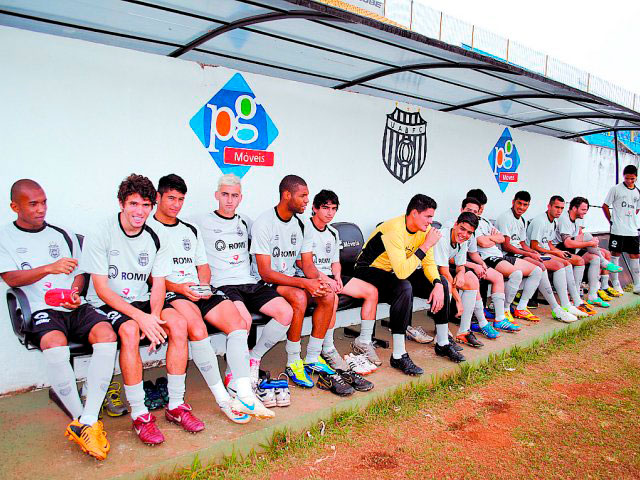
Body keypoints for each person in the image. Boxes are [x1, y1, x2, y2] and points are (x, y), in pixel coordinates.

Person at [0, 179, 117, 460]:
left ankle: (87, 420)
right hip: (41, 309)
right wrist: (48, 268)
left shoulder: (62, 234)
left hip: (73, 305)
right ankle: (81, 418)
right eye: (33, 204)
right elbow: (11, 278)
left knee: (107, 334)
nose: (41, 209)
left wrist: (76, 292)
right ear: (15, 206)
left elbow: (81, 271)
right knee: (54, 344)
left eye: (44, 202)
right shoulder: (5, 238)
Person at [148, 174, 272, 422]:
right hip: (172, 291)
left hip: (197, 289)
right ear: (158, 198)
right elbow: (152, 278)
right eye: (170, 198)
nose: (175, 204)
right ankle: (223, 400)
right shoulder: (149, 231)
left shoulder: (189, 230)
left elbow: (203, 266)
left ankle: (244, 394)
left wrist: (203, 285)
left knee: (237, 324)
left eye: (180, 199)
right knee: (196, 327)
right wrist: (183, 288)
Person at [80, 174, 194, 445]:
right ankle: (141, 415)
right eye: (133, 204)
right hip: (109, 302)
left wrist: (154, 317)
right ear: (121, 203)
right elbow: (101, 288)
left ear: (152, 205)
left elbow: (158, 284)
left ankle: (176, 406)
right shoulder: (101, 232)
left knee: (177, 324)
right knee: (130, 331)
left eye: (145, 205)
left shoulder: (158, 235)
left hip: (143, 300)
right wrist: (142, 318)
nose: (139, 211)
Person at [196, 174, 293, 399]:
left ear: (241, 198)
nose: (229, 200)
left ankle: (254, 357)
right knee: (244, 321)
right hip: (223, 284)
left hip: (249, 282)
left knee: (285, 312)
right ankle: (233, 375)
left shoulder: (247, 222)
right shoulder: (200, 222)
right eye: (225, 195)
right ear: (216, 196)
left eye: (234, 196)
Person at [251, 175, 345, 391]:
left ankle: (312, 356)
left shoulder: (303, 226)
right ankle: (293, 360)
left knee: (328, 295)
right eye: (302, 196)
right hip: (264, 283)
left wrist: (319, 281)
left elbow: (308, 265)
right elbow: (265, 273)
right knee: (299, 295)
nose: (306, 201)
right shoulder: (264, 223)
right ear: (287, 195)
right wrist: (304, 284)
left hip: (291, 277)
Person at [354, 194, 464, 369]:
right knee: (403, 286)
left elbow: (427, 262)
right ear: (414, 213)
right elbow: (402, 272)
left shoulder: (424, 231)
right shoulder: (393, 229)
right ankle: (398, 355)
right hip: (368, 271)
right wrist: (426, 245)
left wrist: (436, 282)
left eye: (432, 217)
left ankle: (443, 343)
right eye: (428, 216)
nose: (431, 222)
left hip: (395, 270)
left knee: (442, 283)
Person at [296, 189, 375, 392]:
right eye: (325, 208)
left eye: (333, 209)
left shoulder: (333, 231)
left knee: (371, 291)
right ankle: (328, 348)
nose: (330, 213)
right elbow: (301, 262)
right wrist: (326, 280)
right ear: (314, 208)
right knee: (333, 298)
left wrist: (338, 277)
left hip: (331, 276)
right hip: (310, 277)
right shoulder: (304, 228)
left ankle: (364, 342)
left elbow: (335, 262)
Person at [496, 191, 578, 323]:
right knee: (540, 267)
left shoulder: (522, 219)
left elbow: (523, 244)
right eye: (519, 203)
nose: (522, 207)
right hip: (507, 256)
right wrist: (529, 253)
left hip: (519, 253)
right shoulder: (506, 218)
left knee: (550, 264)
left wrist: (533, 253)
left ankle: (526, 306)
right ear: (513, 202)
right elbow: (506, 247)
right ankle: (555, 307)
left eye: (525, 205)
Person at [466, 188, 544, 325]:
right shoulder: (470, 223)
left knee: (537, 270)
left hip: (498, 254)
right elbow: (483, 242)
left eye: (482, 206)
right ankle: (505, 309)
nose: (481, 209)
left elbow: (501, 238)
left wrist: (491, 238)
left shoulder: (484, 220)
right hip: (487, 257)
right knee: (516, 274)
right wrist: (492, 238)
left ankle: (521, 307)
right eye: (478, 206)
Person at [449, 196, 519, 332]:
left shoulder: (473, 228)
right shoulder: (453, 225)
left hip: (466, 262)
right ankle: (478, 321)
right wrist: (474, 266)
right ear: (461, 209)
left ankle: (499, 319)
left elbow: (473, 253)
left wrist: (482, 264)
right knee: (473, 279)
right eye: (469, 210)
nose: (472, 213)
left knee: (497, 276)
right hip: (454, 265)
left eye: (475, 211)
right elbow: (450, 258)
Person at [434, 212, 500, 346]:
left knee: (471, 281)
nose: (464, 234)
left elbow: (460, 265)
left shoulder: (464, 240)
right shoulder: (442, 237)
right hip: (423, 270)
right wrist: (458, 300)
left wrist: (460, 274)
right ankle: (442, 333)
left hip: (441, 269)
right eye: (462, 229)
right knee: (446, 283)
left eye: (469, 232)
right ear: (455, 225)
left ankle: (464, 331)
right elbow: (444, 272)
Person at [526, 195, 588, 321]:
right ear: (549, 206)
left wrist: (557, 251)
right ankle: (565, 305)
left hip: (545, 252)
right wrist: (553, 253)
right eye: (556, 207)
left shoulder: (554, 221)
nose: (559, 211)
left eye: (561, 208)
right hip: (533, 253)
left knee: (567, 262)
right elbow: (534, 245)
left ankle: (568, 303)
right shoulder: (540, 221)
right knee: (560, 265)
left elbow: (548, 242)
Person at [554, 196, 611, 309]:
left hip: (571, 249)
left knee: (595, 258)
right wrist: (589, 243)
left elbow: (577, 237)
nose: (585, 213)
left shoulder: (578, 218)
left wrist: (591, 243)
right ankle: (575, 296)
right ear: (574, 208)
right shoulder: (564, 218)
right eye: (583, 210)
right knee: (588, 240)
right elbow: (568, 244)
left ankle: (592, 295)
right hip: (559, 249)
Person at [602, 164, 640, 294]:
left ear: (636, 178)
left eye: (632, 179)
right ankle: (616, 284)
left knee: (635, 255)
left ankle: (637, 285)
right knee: (615, 254)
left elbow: (637, 208)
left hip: (632, 230)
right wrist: (612, 221)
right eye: (627, 178)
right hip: (618, 230)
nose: (629, 181)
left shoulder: (637, 192)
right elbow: (605, 206)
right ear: (624, 176)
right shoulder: (616, 189)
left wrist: (631, 220)